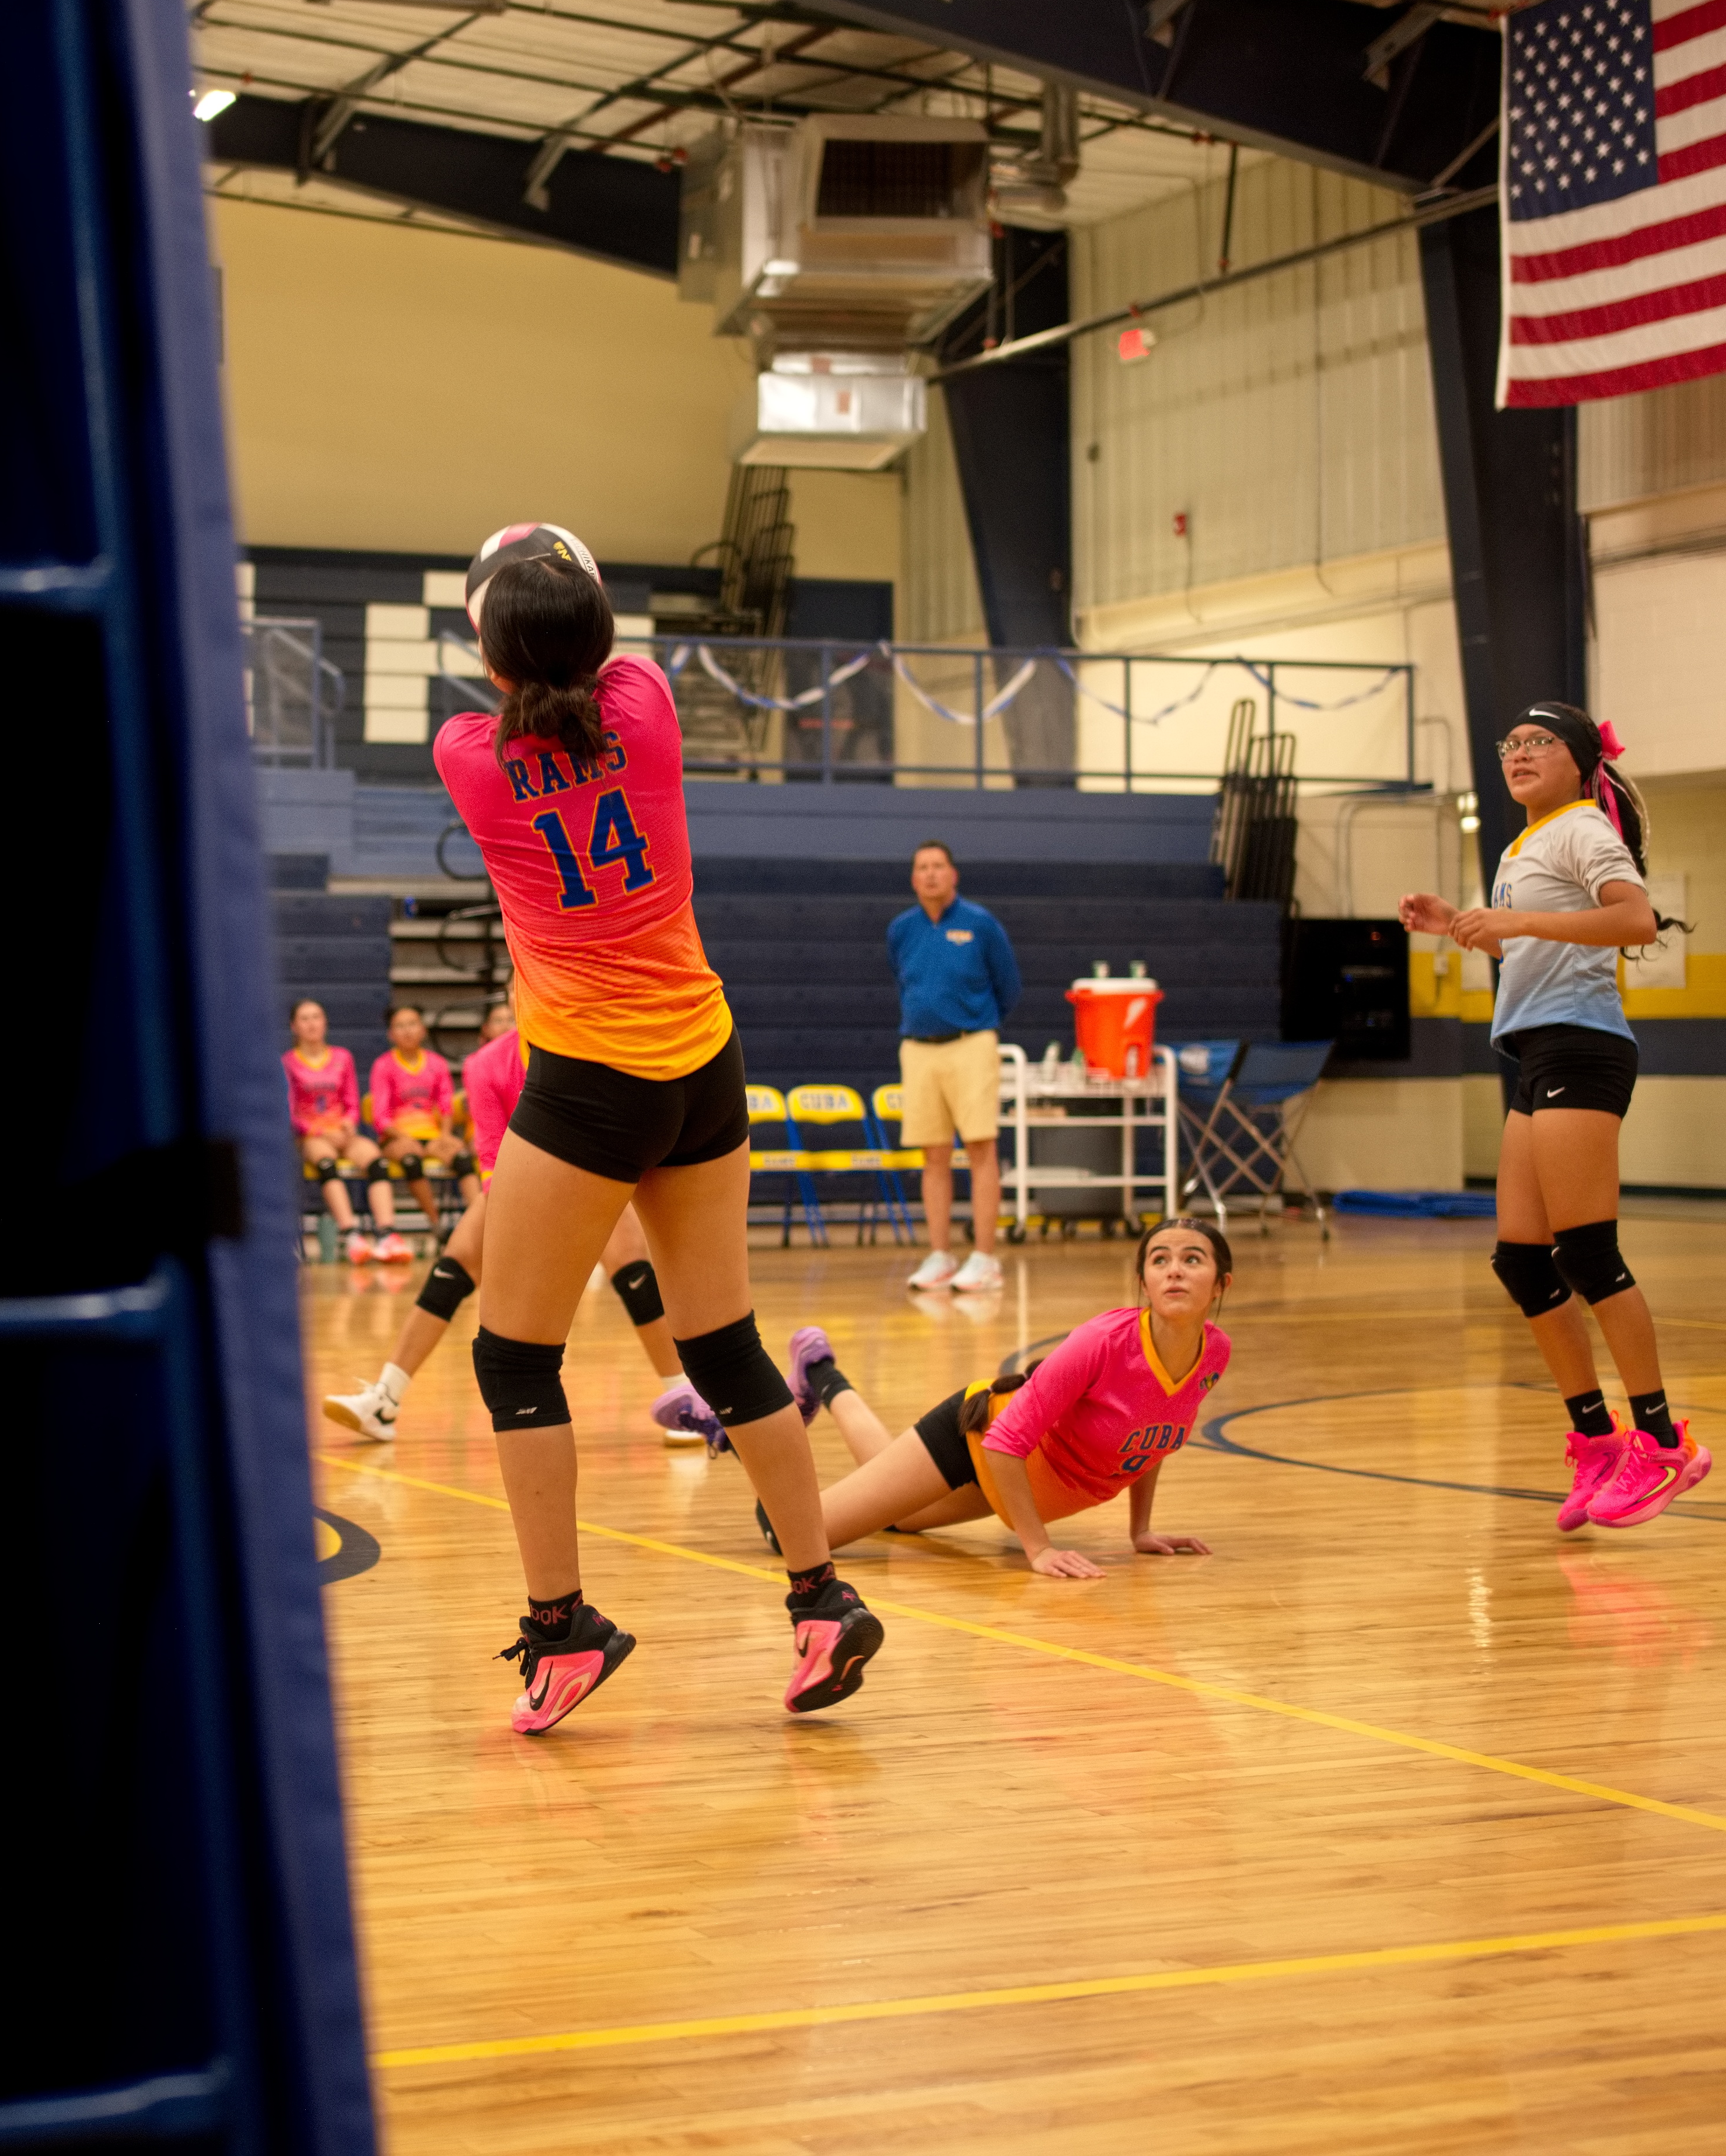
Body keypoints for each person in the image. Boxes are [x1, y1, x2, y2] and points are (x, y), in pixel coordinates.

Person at [433, 520, 883, 1733]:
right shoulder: (645, 710)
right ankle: (820, 1600)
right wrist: (546, 578)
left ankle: (559, 1626)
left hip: (589, 1078)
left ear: (494, 658)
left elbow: (508, 672)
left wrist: (507, 601)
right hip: (704, 1059)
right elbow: (588, 638)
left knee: (513, 1356)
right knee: (725, 1347)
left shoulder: (467, 756)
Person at [1400, 703, 1708, 1532]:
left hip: (1583, 1046)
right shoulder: (1517, 848)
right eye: (1510, 744)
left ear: (1579, 765)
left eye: (1539, 742)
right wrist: (1461, 927)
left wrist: (1519, 919)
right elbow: (1532, 942)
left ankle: (1660, 1441)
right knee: (1521, 1260)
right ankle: (1597, 1439)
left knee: (1586, 1250)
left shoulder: (1580, 830)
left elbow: (1632, 920)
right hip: (1535, 1054)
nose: (1519, 753)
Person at [740, 1218, 1229, 1576]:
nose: (1175, 1271)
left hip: (1012, 1484)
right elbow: (1003, 1440)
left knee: (903, 1517)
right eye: (1159, 1259)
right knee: (794, 1536)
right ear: (1143, 1281)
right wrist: (1038, 1549)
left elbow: (1154, 1435)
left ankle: (821, 1372)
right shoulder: (1102, 1342)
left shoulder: (1214, 1354)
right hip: (975, 1439)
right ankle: (744, 1418)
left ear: (1221, 1284)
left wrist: (1139, 1531)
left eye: (1193, 1259)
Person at [322, 996, 702, 1442]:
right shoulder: (486, 1065)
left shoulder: (584, 1047)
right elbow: (490, 1150)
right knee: (454, 1262)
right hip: (517, 1182)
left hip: (592, 1171)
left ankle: (684, 1399)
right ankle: (386, 1399)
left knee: (630, 1260)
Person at [888, 840, 1021, 1294]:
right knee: (933, 1154)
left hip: (972, 1043)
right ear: (913, 878)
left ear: (953, 874)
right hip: (919, 1048)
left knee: (981, 1148)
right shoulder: (901, 930)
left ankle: (985, 1258)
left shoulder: (981, 924)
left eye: (938, 866)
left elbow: (1009, 986)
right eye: (922, 867)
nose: (930, 874)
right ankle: (941, 1255)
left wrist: (978, 1023)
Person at [282, 1000, 410, 1263]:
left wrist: (350, 1122)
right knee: (327, 1164)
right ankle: (351, 1235)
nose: (312, 1024)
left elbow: (352, 1101)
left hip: (342, 1131)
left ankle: (386, 1234)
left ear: (325, 1022)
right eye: (304, 1019)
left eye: (317, 1017)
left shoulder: (342, 1057)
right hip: (313, 1136)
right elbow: (290, 1111)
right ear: (294, 1026)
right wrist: (316, 1130)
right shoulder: (289, 1062)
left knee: (376, 1161)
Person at [367, 1002, 476, 1234]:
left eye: (412, 1024)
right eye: (400, 1026)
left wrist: (445, 1135)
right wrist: (404, 1137)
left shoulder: (437, 1064)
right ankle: (437, 1224)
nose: (407, 1031)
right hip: (397, 1138)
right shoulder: (384, 1065)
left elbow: (446, 1104)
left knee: (464, 1159)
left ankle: (480, 1224)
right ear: (391, 1034)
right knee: (411, 1161)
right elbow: (380, 1116)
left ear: (423, 1030)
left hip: (433, 1135)